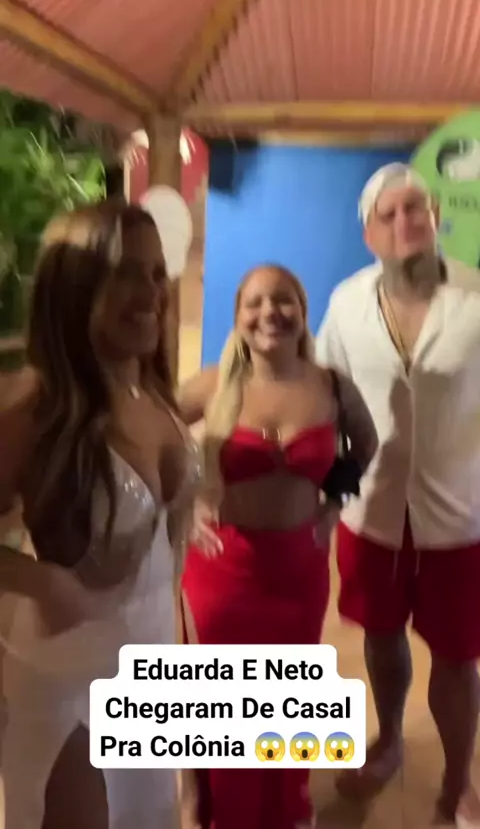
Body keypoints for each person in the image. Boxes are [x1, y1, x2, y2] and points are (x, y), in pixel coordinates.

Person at [0, 200, 201, 829]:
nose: (151, 293)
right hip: (69, 684)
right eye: (125, 273)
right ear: (75, 283)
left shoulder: (153, 389)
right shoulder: (34, 408)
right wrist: (44, 581)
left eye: (157, 273)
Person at [177, 263, 378, 829]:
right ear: (238, 316)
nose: (271, 312)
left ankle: (285, 809)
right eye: (256, 302)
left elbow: (365, 445)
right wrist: (184, 504)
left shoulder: (331, 386)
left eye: (284, 299)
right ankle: (213, 810)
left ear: (303, 312)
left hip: (298, 569)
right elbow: (150, 438)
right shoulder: (212, 385)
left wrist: (334, 504)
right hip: (222, 571)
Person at [316, 162, 480, 829]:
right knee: (382, 637)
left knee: (459, 656)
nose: (404, 220)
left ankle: (458, 781)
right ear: (370, 235)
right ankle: (388, 739)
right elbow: (324, 398)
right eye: (388, 214)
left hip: (461, 514)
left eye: (416, 208)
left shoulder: (476, 297)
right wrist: (322, 491)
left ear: (436, 217)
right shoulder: (346, 303)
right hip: (373, 512)